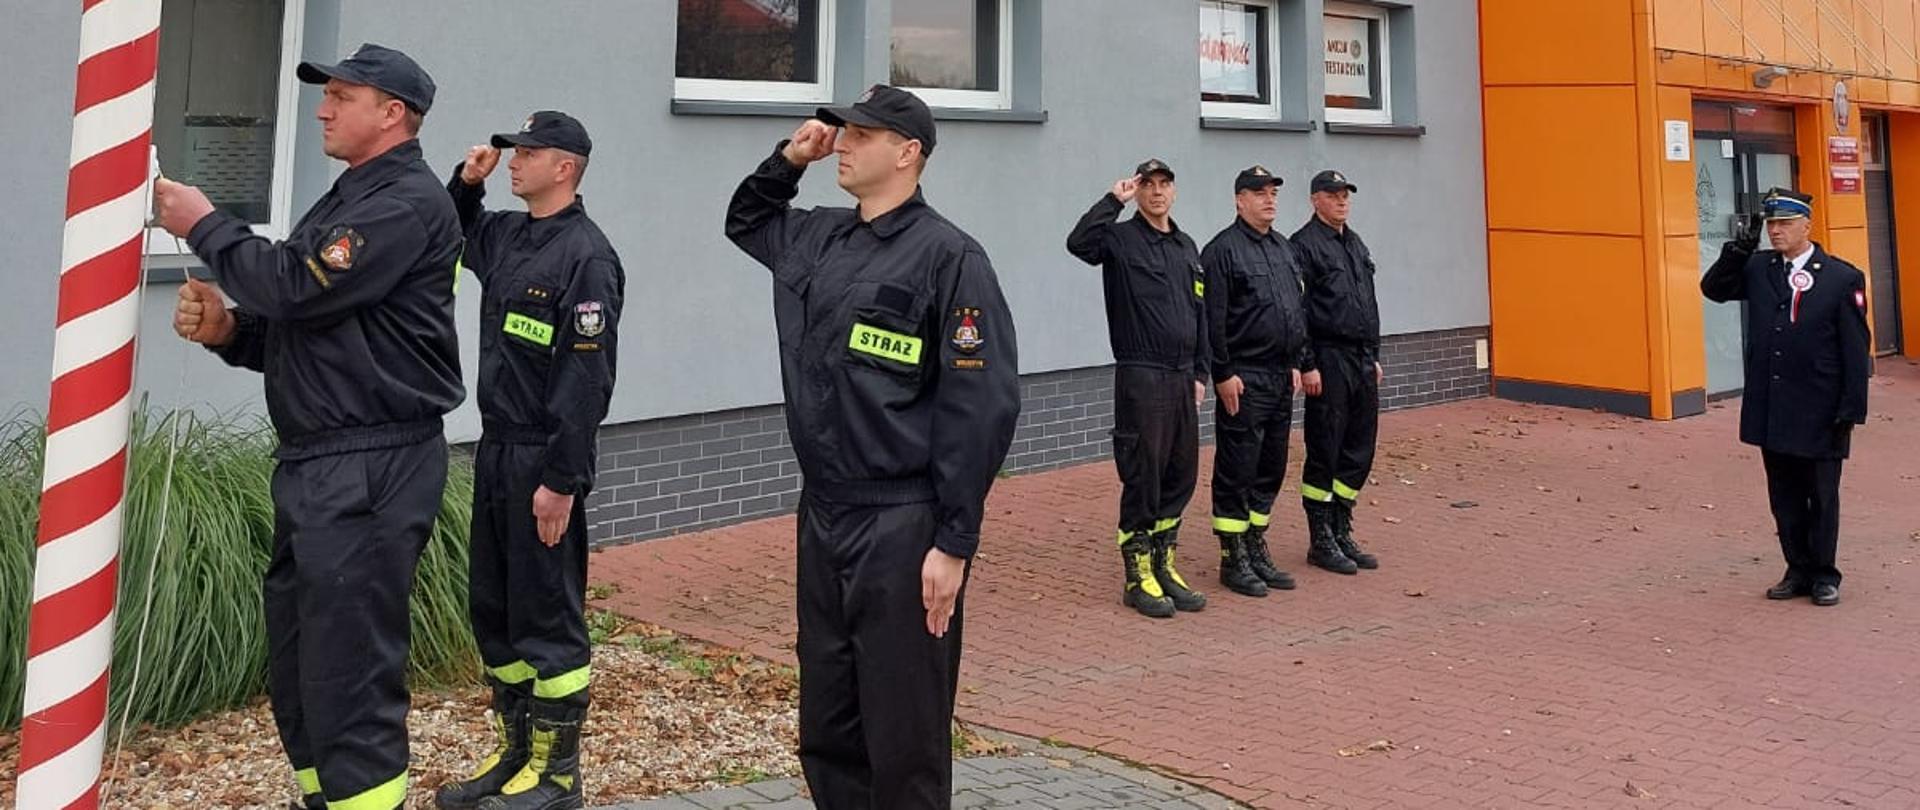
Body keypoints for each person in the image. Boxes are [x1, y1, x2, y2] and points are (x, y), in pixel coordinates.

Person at [158, 43, 462, 810]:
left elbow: (294, 286)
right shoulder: (352, 196)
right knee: (304, 670)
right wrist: (231, 330)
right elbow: (318, 331)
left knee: (349, 677)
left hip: (369, 467)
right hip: (324, 463)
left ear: (392, 114)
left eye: (341, 97)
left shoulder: (403, 202)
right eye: (324, 95)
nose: (322, 108)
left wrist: (206, 224)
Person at [723, 84, 1020, 808]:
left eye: (860, 134)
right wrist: (789, 159)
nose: (842, 145)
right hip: (825, 513)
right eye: (840, 132)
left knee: (904, 728)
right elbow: (746, 220)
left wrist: (954, 542)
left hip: (902, 521)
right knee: (828, 718)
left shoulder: (950, 258)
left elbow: (978, 409)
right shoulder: (821, 235)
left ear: (908, 152)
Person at [433, 111, 624, 810]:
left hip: (543, 458)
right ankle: (515, 754)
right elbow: (451, 231)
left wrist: (561, 480)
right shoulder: (510, 235)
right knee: (497, 608)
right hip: (497, 448)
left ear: (565, 167)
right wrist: (466, 182)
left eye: (528, 153)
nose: (513, 161)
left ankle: (558, 775)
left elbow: (587, 382)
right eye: (512, 151)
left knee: (547, 615)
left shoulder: (587, 257)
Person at [1701, 187, 1871, 607]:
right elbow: (1714, 289)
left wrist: (1851, 408)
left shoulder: (1839, 277)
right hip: (1773, 406)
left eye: (1784, 224)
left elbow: (1854, 348)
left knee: (1822, 497)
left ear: (1807, 227)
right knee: (1785, 497)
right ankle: (1796, 569)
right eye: (1771, 224)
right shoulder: (1760, 269)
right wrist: (1737, 252)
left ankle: (1824, 575)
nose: (1775, 232)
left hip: (1821, 408)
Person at [1066, 159, 1211, 619]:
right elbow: (1079, 243)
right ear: (1138, 191)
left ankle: (1165, 565)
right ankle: (1137, 575)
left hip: (1182, 377)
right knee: (1143, 472)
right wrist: (1113, 200)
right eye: (1148, 185)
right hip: (1142, 374)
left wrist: (1201, 373)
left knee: (1179, 473)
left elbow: (1200, 314)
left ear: (1174, 191)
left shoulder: (1186, 246)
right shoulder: (1121, 240)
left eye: (1165, 184)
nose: (1157, 193)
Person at [1202, 165, 1310, 598]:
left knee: (1271, 466)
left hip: (1281, 376)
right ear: (1238, 200)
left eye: (1273, 193)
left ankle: (1255, 542)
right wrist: (1223, 374)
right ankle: (1233, 556)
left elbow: (1295, 311)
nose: (1269, 200)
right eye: (1258, 193)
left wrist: (1298, 361)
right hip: (1243, 377)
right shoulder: (1222, 252)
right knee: (1238, 466)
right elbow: (1213, 321)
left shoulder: (1283, 249)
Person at [1291, 170, 1383, 576]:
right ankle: (1320, 537)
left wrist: (1374, 355)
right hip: (1327, 359)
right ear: (1316, 200)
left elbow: (1368, 302)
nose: (1342, 201)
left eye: (1346, 195)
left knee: (1359, 446)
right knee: (1326, 444)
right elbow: (1298, 312)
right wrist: (1307, 363)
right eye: (1333, 195)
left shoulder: (1355, 243)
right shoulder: (1304, 246)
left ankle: (1342, 524)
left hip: (1361, 360)